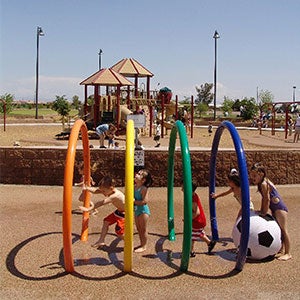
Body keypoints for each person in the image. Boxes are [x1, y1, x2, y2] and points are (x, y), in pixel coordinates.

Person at [250, 162, 291, 261]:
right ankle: (281, 250)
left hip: (279, 208)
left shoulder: (264, 183)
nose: (252, 178)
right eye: (251, 175)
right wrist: (261, 210)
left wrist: (263, 212)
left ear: (261, 174)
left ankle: (288, 253)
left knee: (284, 230)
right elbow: (265, 199)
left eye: (254, 175)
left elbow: (266, 199)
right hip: (275, 208)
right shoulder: (263, 182)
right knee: (280, 231)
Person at [79, 176, 125, 249]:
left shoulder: (115, 195)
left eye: (103, 191)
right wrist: (87, 188)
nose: (102, 192)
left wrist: (88, 209)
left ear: (111, 188)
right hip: (119, 212)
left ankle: (129, 242)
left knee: (119, 233)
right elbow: (96, 190)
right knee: (106, 221)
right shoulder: (109, 190)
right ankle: (101, 240)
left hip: (124, 214)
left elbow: (101, 203)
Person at [184, 181, 216, 257]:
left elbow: (197, 212)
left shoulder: (192, 199)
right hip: (200, 220)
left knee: (191, 237)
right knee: (198, 233)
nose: (181, 189)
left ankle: (191, 252)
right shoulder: (193, 195)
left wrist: (188, 219)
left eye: (183, 187)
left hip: (197, 221)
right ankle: (210, 243)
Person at [134, 169, 153, 253]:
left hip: (143, 211)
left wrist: (134, 202)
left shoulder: (143, 188)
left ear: (143, 180)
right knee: (138, 228)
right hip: (136, 210)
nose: (136, 174)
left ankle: (144, 246)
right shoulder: (134, 187)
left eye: (139, 174)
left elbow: (145, 201)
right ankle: (141, 243)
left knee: (143, 229)